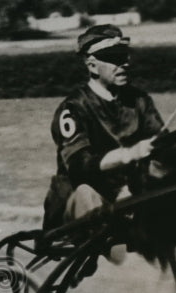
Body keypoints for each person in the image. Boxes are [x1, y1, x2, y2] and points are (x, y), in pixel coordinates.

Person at [43, 25, 163, 253]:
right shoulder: (73, 108)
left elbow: (161, 144)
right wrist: (130, 154)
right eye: (113, 58)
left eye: (125, 56)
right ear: (91, 65)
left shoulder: (139, 100)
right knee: (86, 192)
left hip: (129, 200)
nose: (124, 63)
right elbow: (80, 165)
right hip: (80, 206)